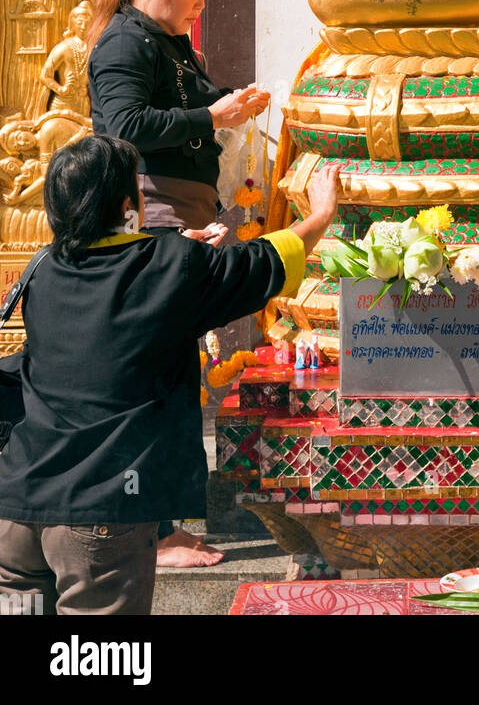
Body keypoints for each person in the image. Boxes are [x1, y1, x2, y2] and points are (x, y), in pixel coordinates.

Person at [0, 135, 340, 615]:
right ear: (127, 206)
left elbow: (117, 266)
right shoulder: (171, 266)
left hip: (15, 511)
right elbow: (262, 262)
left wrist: (180, 251)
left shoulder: (42, 268)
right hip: (99, 516)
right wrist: (321, 214)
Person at [86, 0, 271, 567]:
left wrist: (231, 105)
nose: (198, 5)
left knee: (173, 373)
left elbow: (185, 112)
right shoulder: (123, 45)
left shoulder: (168, 44)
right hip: (150, 221)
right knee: (155, 377)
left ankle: (163, 524)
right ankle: (152, 531)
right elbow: (124, 125)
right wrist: (209, 115)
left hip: (183, 213)